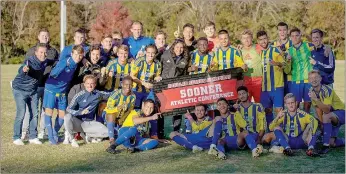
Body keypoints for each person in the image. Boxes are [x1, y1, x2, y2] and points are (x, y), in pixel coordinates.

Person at [21, 28, 59, 140]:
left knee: (45, 109)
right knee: (31, 109)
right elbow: (25, 66)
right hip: (34, 85)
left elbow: (58, 64)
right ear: (38, 37)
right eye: (43, 36)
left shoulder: (54, 51)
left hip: (48, 85)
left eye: (47, 36)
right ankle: (26, 131)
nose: (45, 38)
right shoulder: (32, 50)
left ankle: (43, 131)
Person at [43, 45, 84, 145]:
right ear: (71, 54)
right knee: (49, 113)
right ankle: (51, 138)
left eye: (80, 55)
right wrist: (56, 75)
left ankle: (54, 133)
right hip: (51, 90)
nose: (78, 57)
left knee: (62, 116)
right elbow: (54, 73)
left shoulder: (76, 64)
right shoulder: (65, 62)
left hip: (62, 92)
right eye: (76, 54)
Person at [12, 43, 48, 145]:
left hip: (33, 91)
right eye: (41, 52)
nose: (43, 54)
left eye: (45, 52)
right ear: (36, 52)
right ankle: (16, 137)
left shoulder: (45, 61)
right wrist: (24, 69)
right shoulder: (30, 61)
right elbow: (23, 68)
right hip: (20, 90)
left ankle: (33, 137)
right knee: (21, 112)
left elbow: (53, 61)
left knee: (35, 113)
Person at [64, 75, 111, 147]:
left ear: (95, 84)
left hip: (89, 123)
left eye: (92, 83)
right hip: (78, 123)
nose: (90, 85)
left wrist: (121, 91)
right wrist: (80, 112)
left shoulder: (98, 94)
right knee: (67, 117)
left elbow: (110, 94)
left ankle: (87, 134)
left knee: (107, 132)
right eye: (88, 83)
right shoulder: (79, 95)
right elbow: (68, 109)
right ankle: (72, 139)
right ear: (84, 84)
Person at [256, 30, 290, 126]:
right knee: (267, 110)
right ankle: (271, 130)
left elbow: (284, 64)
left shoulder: (275, 50)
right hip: (265, 88)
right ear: (258, 41)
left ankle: (281, 130)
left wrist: (277, 63)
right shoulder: (259, 53)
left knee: (279, 110)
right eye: (261, 40)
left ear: (268, 39)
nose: (263, 41)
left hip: (277, 86)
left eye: (265, 39)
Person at [308, 70, 345, 154]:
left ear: (320, 78)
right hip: (330, 118)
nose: (314, 80)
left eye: (316, 77)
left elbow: (327, 110)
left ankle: (325, 146)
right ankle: (332, 142)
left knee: (326, 116)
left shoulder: (327, 90)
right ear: (309, 80)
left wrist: (315, 99)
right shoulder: (311, 91)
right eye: (311, 78)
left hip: (341, 113)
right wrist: (322, 124)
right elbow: (318, 109)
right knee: (333, 143)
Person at [160, 39, 190, 131]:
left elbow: (185, 73)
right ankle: (159, 132)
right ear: (173, 47)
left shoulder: (185, 58)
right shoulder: (165, 55)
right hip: (164, 86)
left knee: (177, 109)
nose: (179, 49)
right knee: (162, 109)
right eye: (177, 47)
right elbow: (159, 66)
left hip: (177, 87)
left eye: (181, 47)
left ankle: (176, 130)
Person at [104, 76, 136, 151]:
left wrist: (122, 120)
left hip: (121, 118)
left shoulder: (133, 96)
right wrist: (117, 108)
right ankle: (111, 139)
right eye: (126, 84)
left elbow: (129, 111)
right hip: (109, 115)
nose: (128, 87)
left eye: (130, 85)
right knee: (110, 115)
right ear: (122, 84)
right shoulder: (115, 94)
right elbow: (108, 109)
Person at [288, 28, 314, 113]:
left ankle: (307, 123)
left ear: (300, 36)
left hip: (308, 80)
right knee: (296, 105)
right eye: (292, 36)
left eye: (297, 35)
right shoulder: (289, 50)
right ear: (290, 37)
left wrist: (327, 47)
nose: (295, 38)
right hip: (296, 80)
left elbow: (320, 46)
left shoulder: (308, 46)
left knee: (308, 104)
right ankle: (297, 123)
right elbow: (287, 68)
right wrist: (288, 61)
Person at [131, 44, 162, 109]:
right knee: (136, 109)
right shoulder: (139, 61)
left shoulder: (158, 64)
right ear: (145, 52)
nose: (150, 55)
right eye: (148, 52)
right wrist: (144, 83)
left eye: (153, 53)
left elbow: (157, 76)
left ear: (156, 53)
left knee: (145, 110)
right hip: (136, 89)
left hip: (148, 90)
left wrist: (158, 78)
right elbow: (132, 76)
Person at [239, 29, 262, 102]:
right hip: (246, 80)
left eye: (248, 37)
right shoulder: (239, 50)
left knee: (260, 104)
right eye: (244, 38)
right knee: (246, 103)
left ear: (252, 38)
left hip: (258, 80)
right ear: (241, 40)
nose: (246, 40)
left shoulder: (258, 47)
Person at [272, 22, 293, 95]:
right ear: (277, 31)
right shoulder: (273, 45)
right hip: (279, 79)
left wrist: (326, 46)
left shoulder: (293, 43)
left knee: (293, 101)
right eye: (280, 30)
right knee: (281, 103)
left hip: (291, 78)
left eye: (284, 30)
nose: (282, 32)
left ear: (287, 31)